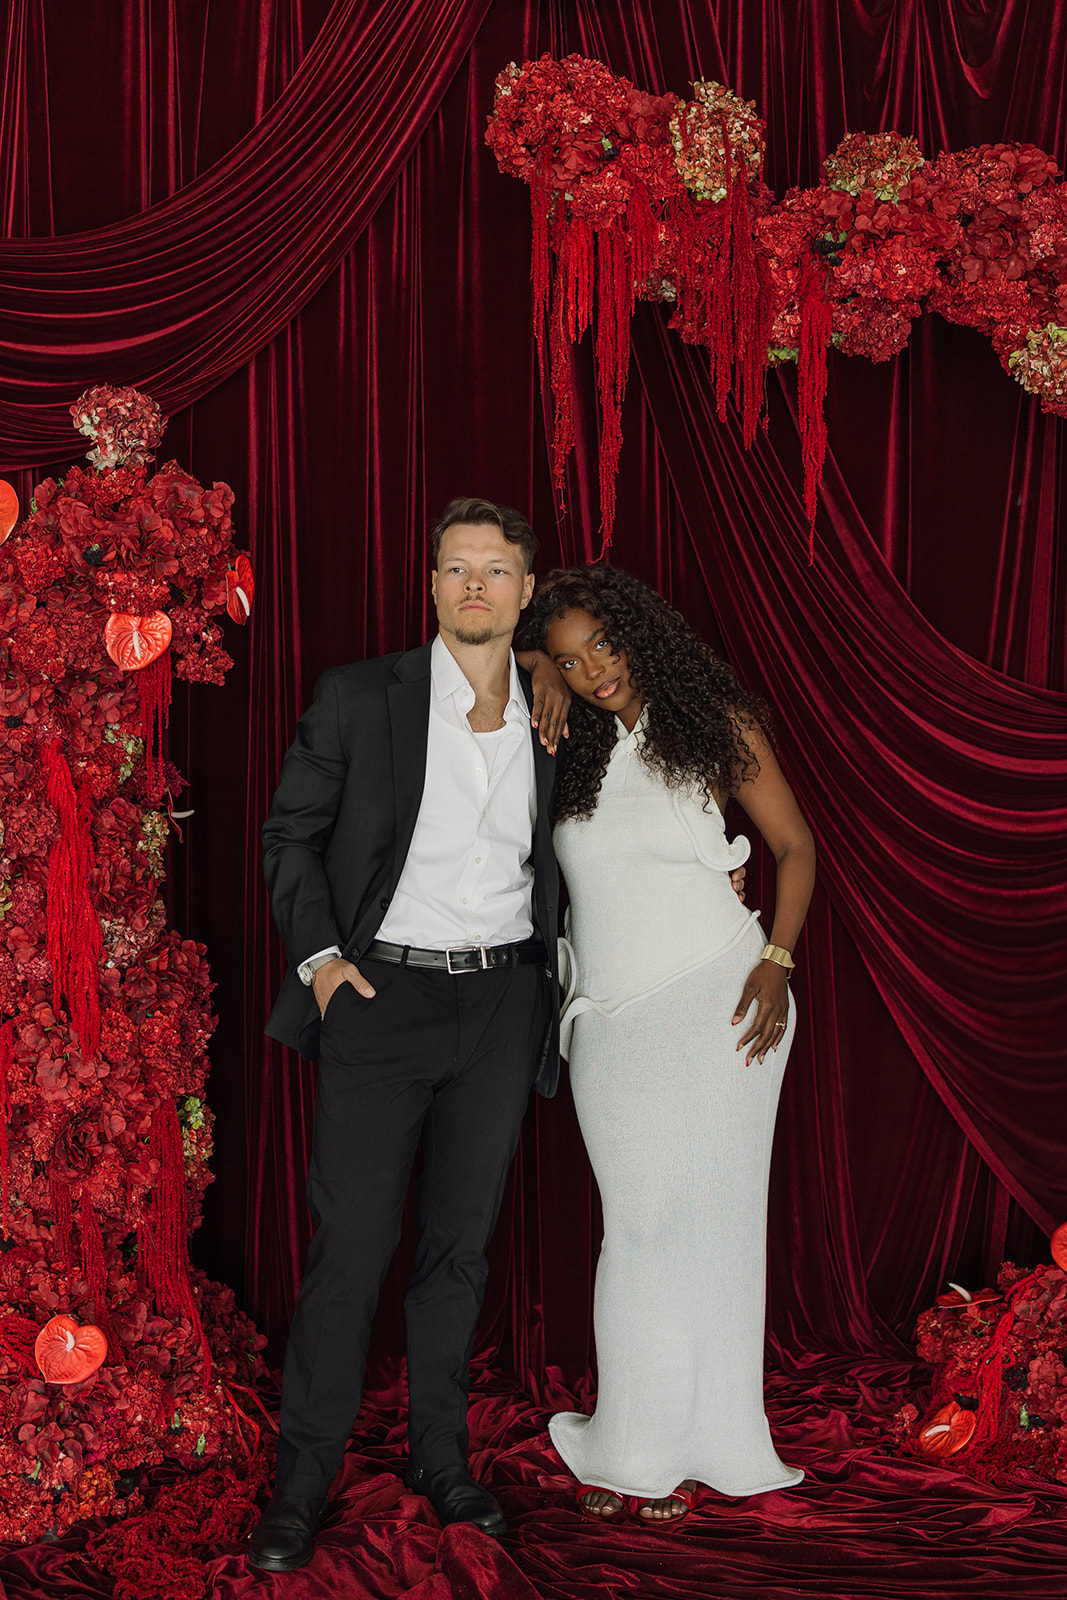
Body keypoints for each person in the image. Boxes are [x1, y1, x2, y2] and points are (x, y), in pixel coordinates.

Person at [248, 498, 571, 1572]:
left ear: (526, 591)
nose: (474, 584)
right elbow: (288, 835)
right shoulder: (359, 696)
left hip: (502, 1004)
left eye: (495, 569)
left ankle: (443, 1460)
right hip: (379, 999)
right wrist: (322, 965)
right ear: (431, 584)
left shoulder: (556, 709)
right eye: (455, 568)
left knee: (457, 1251)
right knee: (349, 1251)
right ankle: (301, 1486)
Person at [522, 563, 815, 1526]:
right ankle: (634, 1443)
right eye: (572, 659)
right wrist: (537, 664)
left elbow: (794, 848)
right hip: (609, 1016)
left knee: (713, 1228)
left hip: (724, 999)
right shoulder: (570, 740)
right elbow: (481, 667)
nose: (593, 669)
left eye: (602, 645)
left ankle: (703, 1443)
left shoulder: (714, 724)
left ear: (640, 632)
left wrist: (775, 958)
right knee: (641, 1226)